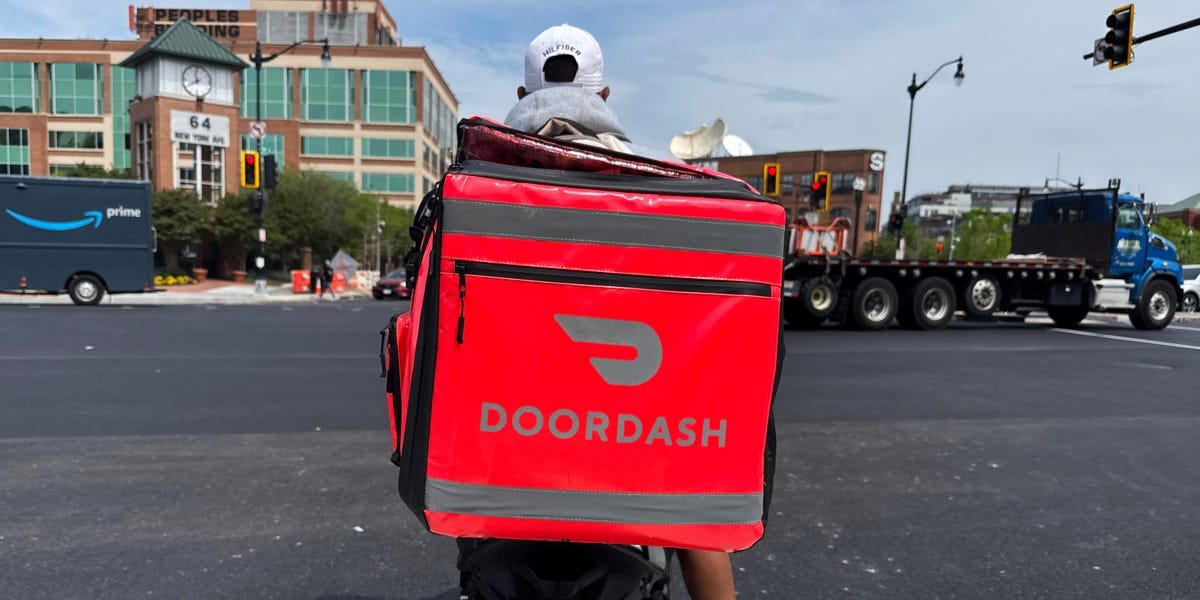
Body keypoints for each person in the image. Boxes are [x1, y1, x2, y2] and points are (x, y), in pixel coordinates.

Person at [500, 23, 738, 600]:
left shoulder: (481, 181)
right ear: (604, 99)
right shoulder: (661, 187)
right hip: (632, 430)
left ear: (521, 96)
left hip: (509, 434)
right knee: (697, 513)